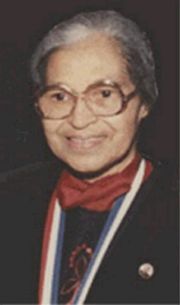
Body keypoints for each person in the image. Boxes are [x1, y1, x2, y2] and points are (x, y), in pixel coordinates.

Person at [0, 10, 178, 304]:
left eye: (104, 94)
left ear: (143, 102)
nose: (79, 119)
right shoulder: (9, 199)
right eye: (59, 96)